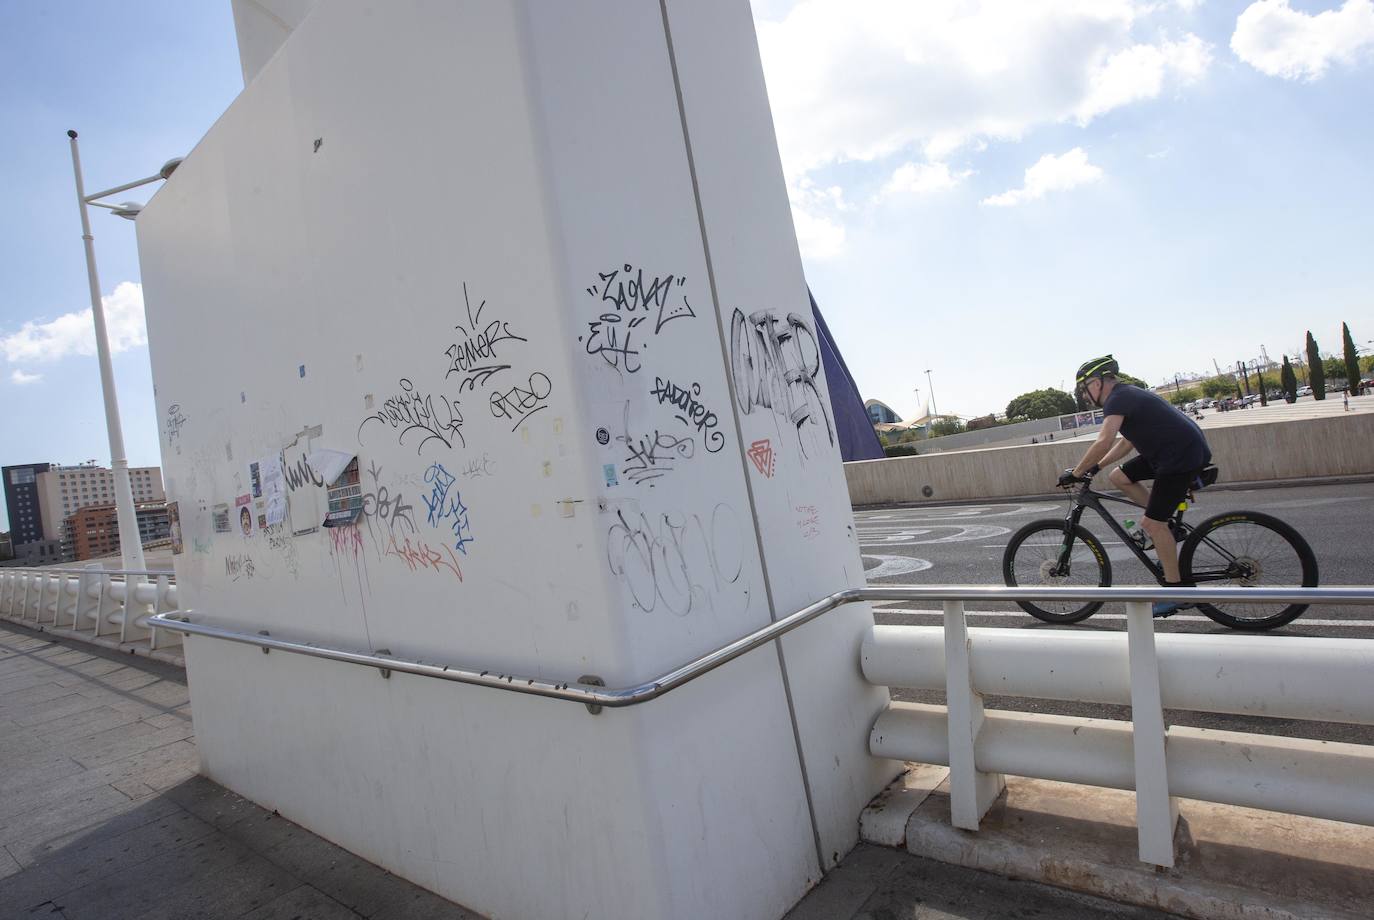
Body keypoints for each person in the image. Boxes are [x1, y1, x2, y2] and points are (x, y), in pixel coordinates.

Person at [1057, 356, 1212, 617]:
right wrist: (1097, 468)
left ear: (1097, 383)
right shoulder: (1126, 395)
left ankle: (1176, 592)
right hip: (1174, 452)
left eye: (1085, 388)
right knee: (1120, 477)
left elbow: (1104, 440)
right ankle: (1167, 526)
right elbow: (1125, 443)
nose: (1085, 394)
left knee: (1153, 524)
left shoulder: (1118, 398)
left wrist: (1078, 472)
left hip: (1179, 458)